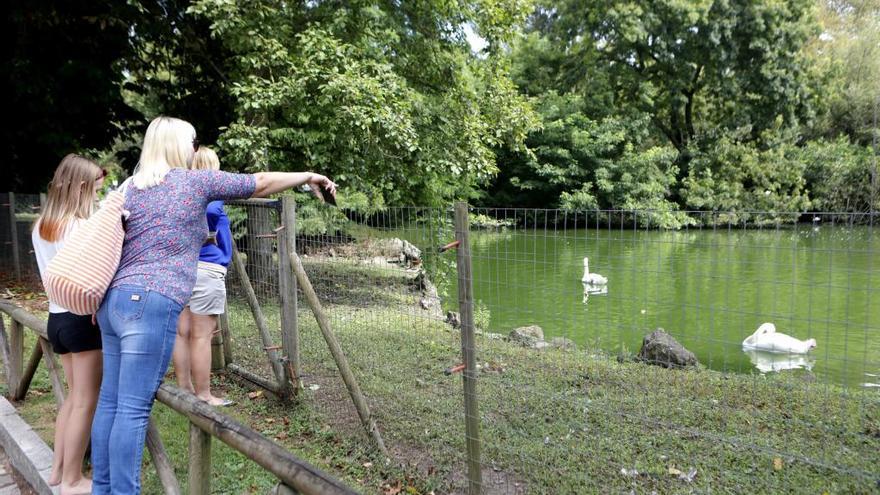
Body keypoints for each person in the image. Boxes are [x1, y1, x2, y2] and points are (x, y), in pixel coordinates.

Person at [91, 116, 337, 495]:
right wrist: (308, 175)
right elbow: (261, 182)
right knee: (132, 410)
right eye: (192, 142)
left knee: (110, 400)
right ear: (177, 146)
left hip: (113, 302)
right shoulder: (193, 181)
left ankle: (102, 489)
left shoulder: (129, 187)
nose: (194, 149)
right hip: (150, 301)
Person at [31, 154, 104, 495]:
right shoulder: (78, 226)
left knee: (73, 399)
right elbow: (87, 276)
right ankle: (74, 480)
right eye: (96, 189)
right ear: (82, 187)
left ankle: (59, 471)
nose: (98, 197)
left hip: (56, 317)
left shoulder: (42, 224)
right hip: (80, 317)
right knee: (86, 401)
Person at [172, 147, 234, 406]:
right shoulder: (211, 198)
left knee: (182, 332)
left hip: (181, 268)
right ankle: (204, 394)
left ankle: (184, 387)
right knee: (201, 335)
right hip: (207, 269)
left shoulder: (177, 194)